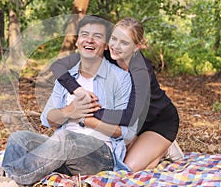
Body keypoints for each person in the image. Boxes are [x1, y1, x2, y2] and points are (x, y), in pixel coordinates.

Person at [0, 15, 134, 187]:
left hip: (100, 155)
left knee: (65, 137)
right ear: (77, 41)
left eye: (97, 36)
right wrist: (69, 112)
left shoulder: (120, 78)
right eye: (84, 34)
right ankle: (3, 181)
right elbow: (47, 118)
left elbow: (126, 132)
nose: (89, 40)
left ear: (106, 45)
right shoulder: (66, 77)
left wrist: (85, 119)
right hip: (61, 150)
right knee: (19, 138)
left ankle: (4, 176)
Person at [50, 17, 183, 173]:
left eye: (125, 43)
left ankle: (164, 149)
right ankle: (143, 146)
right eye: (114, 39)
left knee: (127, 168)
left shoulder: (141, 71)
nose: (116, 46)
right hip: (129, 125)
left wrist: (88, 111)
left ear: (136, 47)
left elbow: (128, 116)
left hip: (157, 121)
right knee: (116, 159)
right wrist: (78, 90)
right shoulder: (107, 55)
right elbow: (57, 66)